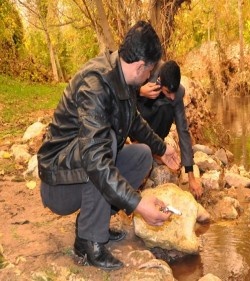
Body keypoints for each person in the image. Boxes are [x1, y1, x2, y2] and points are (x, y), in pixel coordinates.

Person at [37, 21, 180, 271]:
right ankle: (88, 242)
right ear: (140, 67)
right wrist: (138, 204)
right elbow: (95, 159)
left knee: (142, 155)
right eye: (150, 72)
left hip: (81, 166)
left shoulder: (123, 78)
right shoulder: (96, 83)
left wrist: (162, 149)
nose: (150, 78)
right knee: (107, 143)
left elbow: (134, 121)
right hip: (58, 183)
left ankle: (94, 222)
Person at [137, 60, 203, 198]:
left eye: (174, 92)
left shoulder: (177, 94)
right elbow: (120, 93)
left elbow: (183, 130)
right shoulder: (146, 74)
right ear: (160, 82)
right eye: (168, 91)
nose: (173, 96)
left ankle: (156, 149)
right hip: (136, 118)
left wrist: (191, 176)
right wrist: (139, 91)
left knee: (167, 108)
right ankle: (140, 143)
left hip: (155, 123)